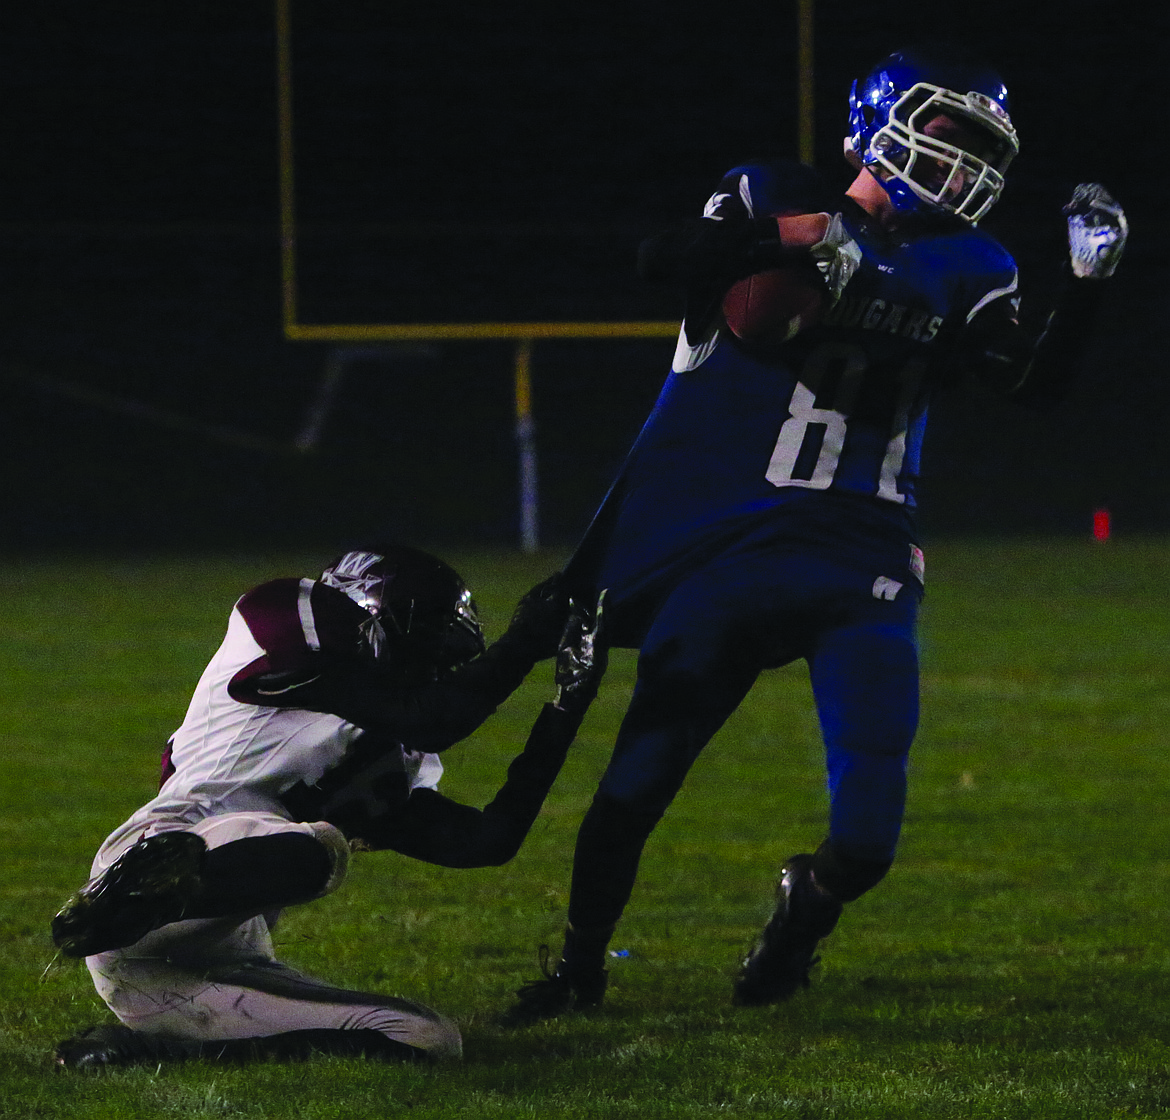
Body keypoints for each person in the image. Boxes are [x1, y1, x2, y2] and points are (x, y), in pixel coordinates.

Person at [504, 45, 1128, 1022]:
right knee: (638, 779)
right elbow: (665, 258)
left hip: (864, 553)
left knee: (871, 828)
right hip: (732, 546)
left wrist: (1086, 287)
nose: (961, 164)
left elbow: (1032, 385)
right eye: (946, 133)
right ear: (878, 120)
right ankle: (578, 966)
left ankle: (808, 906)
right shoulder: (772, 193)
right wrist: (788, 240)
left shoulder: (974, 265)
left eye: (978, 148)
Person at [50, 543, 605, 1068]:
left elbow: (486, 842)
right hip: (164, 852)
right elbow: (435, 718)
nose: (434, 670)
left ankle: (150, 1047)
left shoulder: (386, 749)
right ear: (376, 618)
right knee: (318, 846)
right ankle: (121, 907)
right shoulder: (286, 614)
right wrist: (525, 643)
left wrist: (565, 706)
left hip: (219, 955)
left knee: (428, 1038)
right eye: (429, 649)